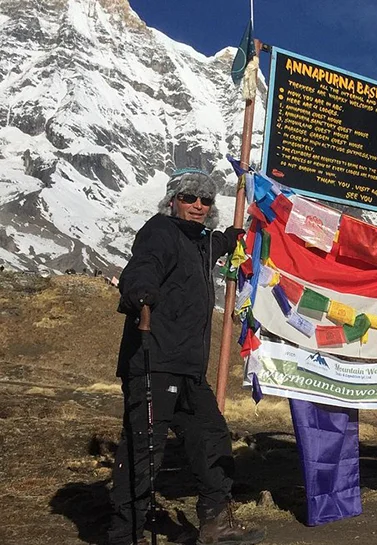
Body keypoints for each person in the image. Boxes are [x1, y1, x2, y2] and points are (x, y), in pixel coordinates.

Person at [108, 169, 265, 545]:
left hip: (189, 370)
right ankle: (125, 534)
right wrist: (140, 292)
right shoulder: (160, 231)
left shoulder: (202, 243)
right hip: (155, 363)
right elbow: (143, 265)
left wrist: (231, 239)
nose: (198, 205)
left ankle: (215, 523)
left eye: (205, 200)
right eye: (190, 197)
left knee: (212, 439)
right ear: (173, 200)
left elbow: (217, 244)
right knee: (144, 451)